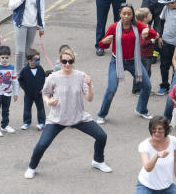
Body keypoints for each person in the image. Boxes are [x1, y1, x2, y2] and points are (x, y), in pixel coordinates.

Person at [24, 46, 111, 179]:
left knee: (101, 136)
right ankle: (31, 167)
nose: (67, 64)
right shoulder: (53, 77)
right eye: (64, 62)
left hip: (78, 116)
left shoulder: (81, 76)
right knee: (42, 144)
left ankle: (98, 161)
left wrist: (89, 85)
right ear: (60, 62)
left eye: (70, 61)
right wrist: (49, 101)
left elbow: (89, 98)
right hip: (57, 118)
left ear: (73, 62)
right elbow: (45, 94)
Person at [96, 4, 157, 122]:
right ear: (120, 14)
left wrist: (147, 30)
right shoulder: (114, 27)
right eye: (124, 14)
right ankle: (102, 114)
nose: (126, 16)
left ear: (133, 15)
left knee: (147, 86)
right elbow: (102, 45)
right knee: (111, 88)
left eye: (129, 14)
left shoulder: (137, 25)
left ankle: (141, 109)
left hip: (134, 61)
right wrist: (104, 41)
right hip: (117, 61)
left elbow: (154, 34)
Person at [9, 0, 45, 71]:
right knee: (20, 51)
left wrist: (42, 26)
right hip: (21, 23)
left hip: (33, 24)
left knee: (28, 51)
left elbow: (41, 9)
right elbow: (11, 6)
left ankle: (26, 71)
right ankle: (18, 73)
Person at [18, 48, 45, 132]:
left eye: (38, 59)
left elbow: (43, 77)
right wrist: (25, 89)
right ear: (29, 61)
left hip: (38, 93)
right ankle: (26, 122)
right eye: (35, 59)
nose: (37, 61)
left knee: (40, 108)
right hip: (28, 94)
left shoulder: (40, 68)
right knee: (27, 108)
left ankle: (41, 123)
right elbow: (20, 80)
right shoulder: (25, 70)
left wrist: (41, 87)